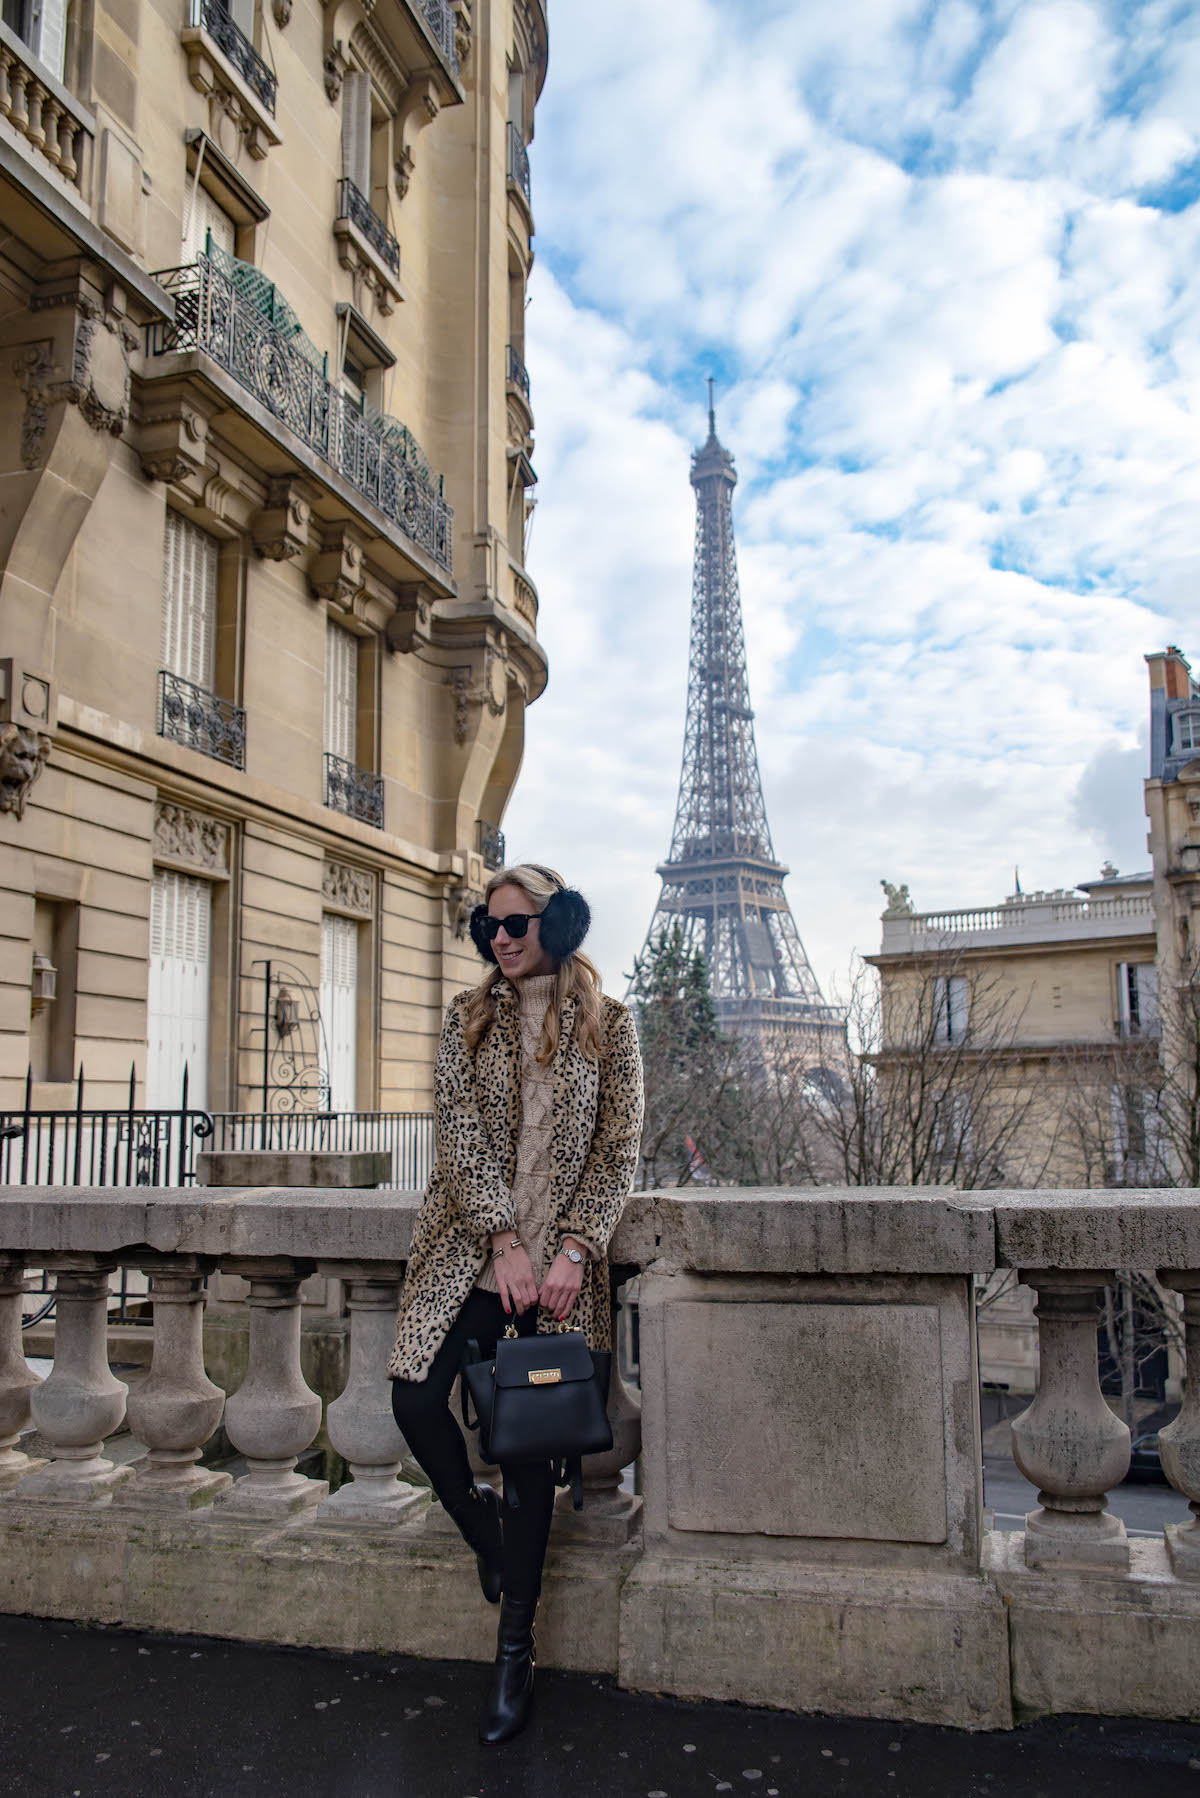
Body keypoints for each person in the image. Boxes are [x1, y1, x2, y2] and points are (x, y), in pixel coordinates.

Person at [387, 862, 644, 1745]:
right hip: (473, 1257)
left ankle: (514, 1650)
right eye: (486, 925)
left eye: (515, 922)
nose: (498, 937)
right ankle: (488, 1540)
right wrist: (504, 1241)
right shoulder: (467, 1019)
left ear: (559, 923)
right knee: (413, 1397)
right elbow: (455, 1139)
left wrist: (573, 1247)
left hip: (563, 1279)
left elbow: (619, 1153)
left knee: (530, 1458)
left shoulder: (612, 1027)